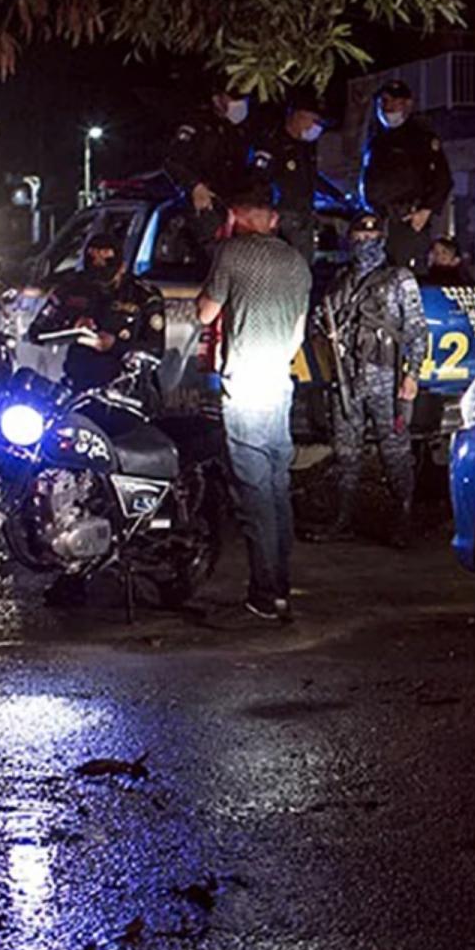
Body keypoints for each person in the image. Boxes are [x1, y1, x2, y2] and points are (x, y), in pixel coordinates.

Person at [195, 178, 314, 622]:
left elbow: (206, 312)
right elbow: (299, 331)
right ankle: (280, 584)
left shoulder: (231, 253)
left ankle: (267, 591)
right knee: (278, 486)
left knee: (255, 492)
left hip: (244, 382)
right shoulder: (298, 263)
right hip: (279, 382)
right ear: (274, 219)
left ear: (235, 217)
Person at [308, 210, 432, 546]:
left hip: (386, 378)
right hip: (346, 380)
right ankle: (343, 518)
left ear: (382, 240)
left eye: (371, 238)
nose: (365, 244)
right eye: (359, 239)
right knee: (346, 451)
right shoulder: (340, 281)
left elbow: (417, 330)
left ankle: (403, 518)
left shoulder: (398, 279)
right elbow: (321, 322)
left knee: (395, 451)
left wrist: (412, 374)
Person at [36, 225, 164, 397]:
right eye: (94, 276)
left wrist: (115, 345)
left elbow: (155, 349)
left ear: (122, 268)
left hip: (126, 388)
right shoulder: (71, 288)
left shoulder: (144, 295)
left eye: (107, 277)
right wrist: (72, 328)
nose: (100, 285)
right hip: (79, 383)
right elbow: (37, 332)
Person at [361, 80, 453, 245]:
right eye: (384, 103)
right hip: (379, 221)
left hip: (407, 220)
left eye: (395, 103)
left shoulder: (421, 138)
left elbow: (442, 178)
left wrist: (425, 211)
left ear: (408, 105)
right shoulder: (377, 140)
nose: (388, 108)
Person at [167, 88, 258, 245]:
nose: (240, 104)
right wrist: (194, 186)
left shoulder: (240, 130)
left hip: (232, 204)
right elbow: (173, 161)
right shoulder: (197, 123)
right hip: (205, 203)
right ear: (217, 99)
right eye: (234, 98)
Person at [264, 94, 330, 258]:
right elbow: (261, 180)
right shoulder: (273, 144)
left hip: (304, 215)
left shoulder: (305, 148)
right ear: (297, 117)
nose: (315, 127)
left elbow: (312, 179)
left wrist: (338, 197)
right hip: (282, 217)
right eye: (312, 120)